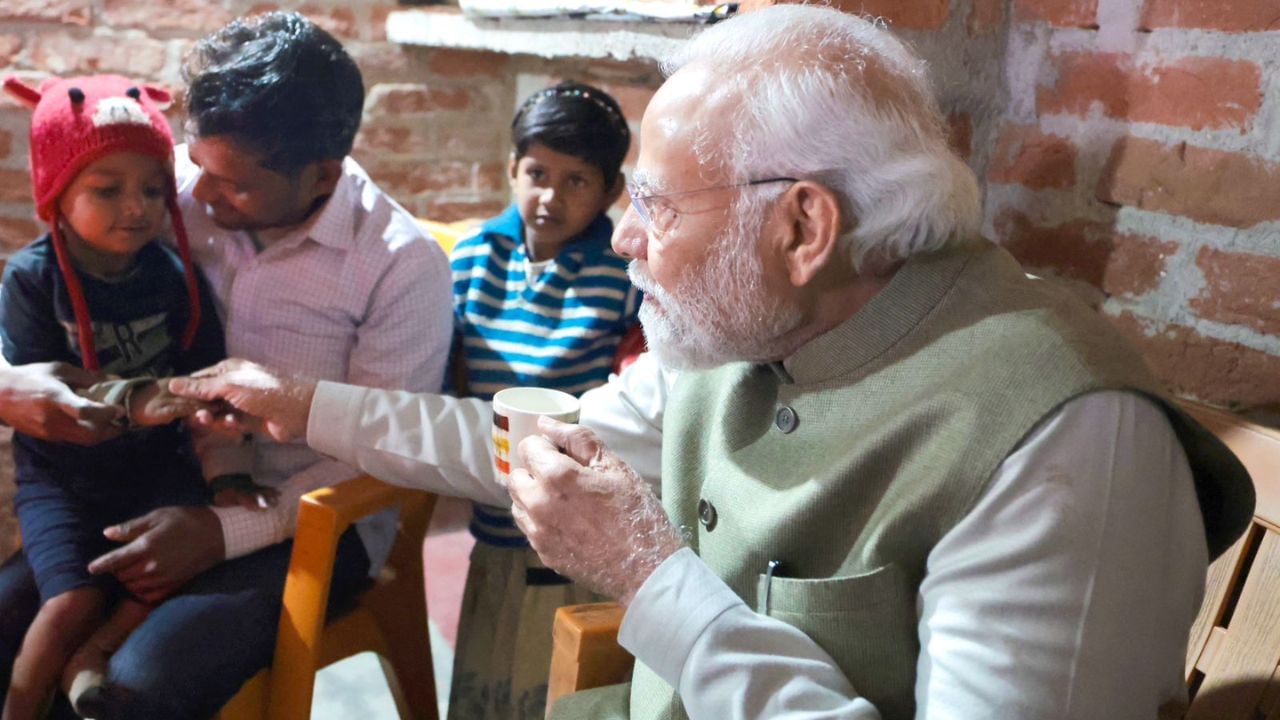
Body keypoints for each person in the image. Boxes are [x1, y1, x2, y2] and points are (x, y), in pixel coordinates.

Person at [140, 5, 1266, 718]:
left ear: (801, 227)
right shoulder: (748, 323)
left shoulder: (1060, 443)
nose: (620, 238)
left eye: (655, 206)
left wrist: (646, 575)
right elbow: (520, 438)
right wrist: (302, 402)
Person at [0, 12, 453, 719]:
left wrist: (223, 529)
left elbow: (385, 452)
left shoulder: (400, 266)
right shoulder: (166, 185)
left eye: (232, 186)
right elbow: (48, 287)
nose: (195, 196)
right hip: (152, 480)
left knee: (134, 687)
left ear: (321, 176)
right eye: (196, 165)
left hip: (308, 519)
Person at [0, 73, 245, 720]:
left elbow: (207, 381)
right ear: (56, 193)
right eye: (106, 191)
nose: (136, 208)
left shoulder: (175, 277)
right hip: (59, 476)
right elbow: (43, 393)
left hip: (155, 466)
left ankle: (93, 659)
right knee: (71, 601)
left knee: (160, 572)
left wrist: (229, 474)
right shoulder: (31, 280)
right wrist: (145, 399)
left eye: (152, 190)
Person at [446, 79, 639, 719]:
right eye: (536, 173)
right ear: (511, 169)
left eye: (576, 181)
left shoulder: (622, 276)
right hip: (492, 518)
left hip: (573, 526)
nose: (549, 197)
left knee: (550, 687)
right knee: (483, 680)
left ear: (612, 190)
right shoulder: (473, 256)